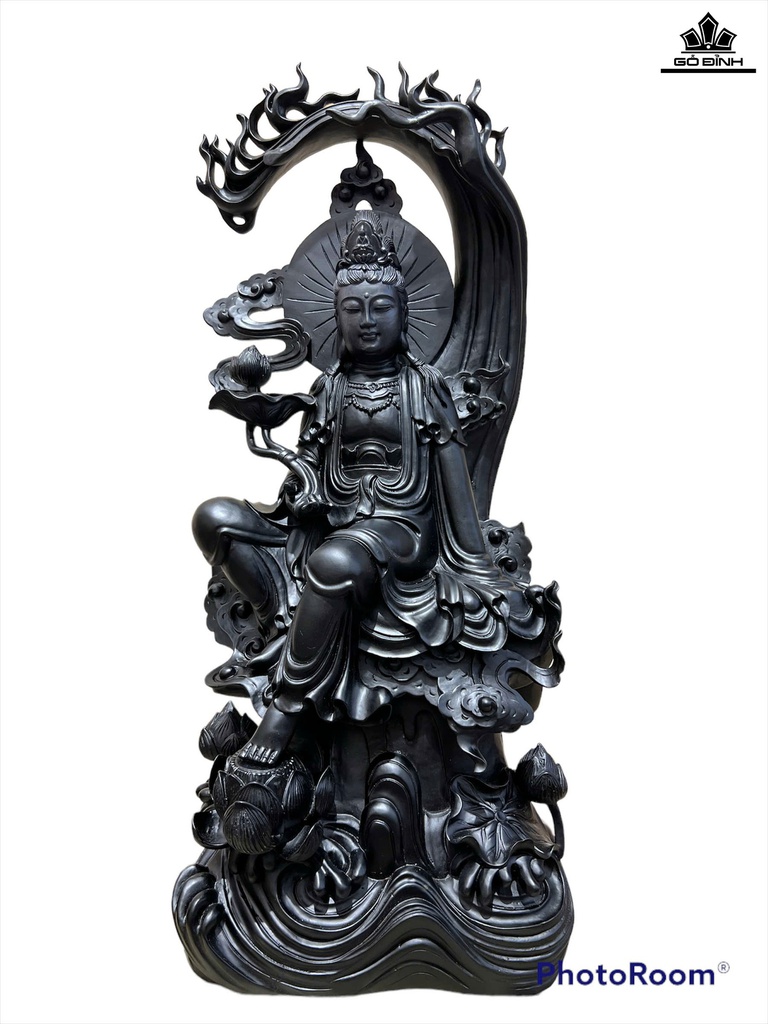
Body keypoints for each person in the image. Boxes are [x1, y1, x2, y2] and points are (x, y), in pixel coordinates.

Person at [193, 213, 548, 765]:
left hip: (402, 531)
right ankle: (292, 624)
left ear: (404, 312)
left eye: (381, 307)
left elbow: (454, 480)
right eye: (352, 309)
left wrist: (477, 564)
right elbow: (307, 474)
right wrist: (301, 494)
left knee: (336, 561)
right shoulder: (329, 388)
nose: (367, 321)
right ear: (334, 316)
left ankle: (287, 705)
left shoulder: (422, 387)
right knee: (214, 519)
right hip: (327, 524)